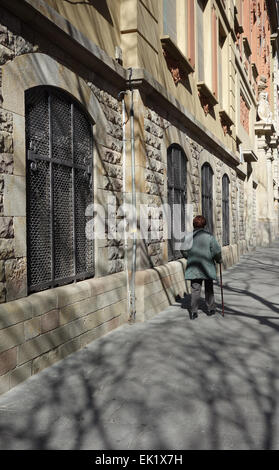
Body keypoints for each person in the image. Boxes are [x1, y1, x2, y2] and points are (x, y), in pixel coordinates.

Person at [182, 215, 222, 320]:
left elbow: (183, 250)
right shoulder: (209, 237)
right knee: (209, 288)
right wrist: (219, 259)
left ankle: (194, 312)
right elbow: (216, 251)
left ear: (194, 225)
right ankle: (211, 309)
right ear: (204, 225)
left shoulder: (188, 237)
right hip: (207, 266)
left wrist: (188, 256)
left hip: (194, 265)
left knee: (195, 289)